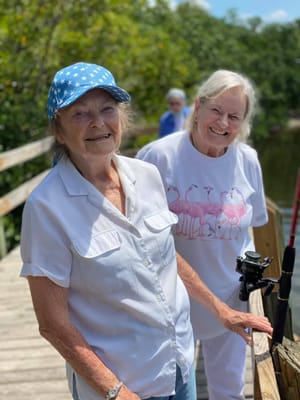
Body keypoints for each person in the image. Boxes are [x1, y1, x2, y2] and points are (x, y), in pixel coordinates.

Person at [20, 63, 272, 400]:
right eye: (80, 113)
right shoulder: (46, 207)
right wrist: (115, 391)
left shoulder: (147, 175)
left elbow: (166, 257)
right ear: (59, 129)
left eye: (107, 109)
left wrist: (220, 310)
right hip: (122, 383)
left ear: (122, 118)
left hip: (179, 368)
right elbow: (52, 324)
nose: (97, 122)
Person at [136, 69, 269, 400]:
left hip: (231, 297)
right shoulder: (158, 157)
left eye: (234, 116)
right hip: (170, 303)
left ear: (243, 123)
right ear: (197, 106)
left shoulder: (248, 160)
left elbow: (254, 227)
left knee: (229, 391)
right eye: (216, 110)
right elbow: (137, 234)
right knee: (167, 391)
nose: (223, 123)